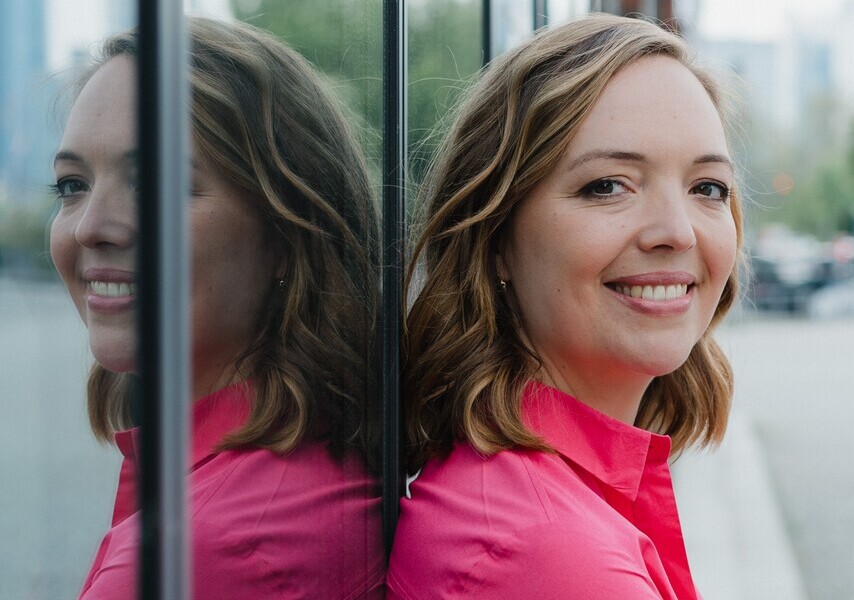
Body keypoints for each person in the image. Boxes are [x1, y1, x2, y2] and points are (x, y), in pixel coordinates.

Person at [388, 14, 741, 600]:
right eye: (608, 185)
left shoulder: (527, 500)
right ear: (496, 237)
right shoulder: (546, 553)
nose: (677, 232)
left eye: (707, 187)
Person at [50, 18, 385, 599]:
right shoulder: (313, 464)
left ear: (287, 234)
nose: (90, 227)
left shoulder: (197, 553)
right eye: (72, 185)